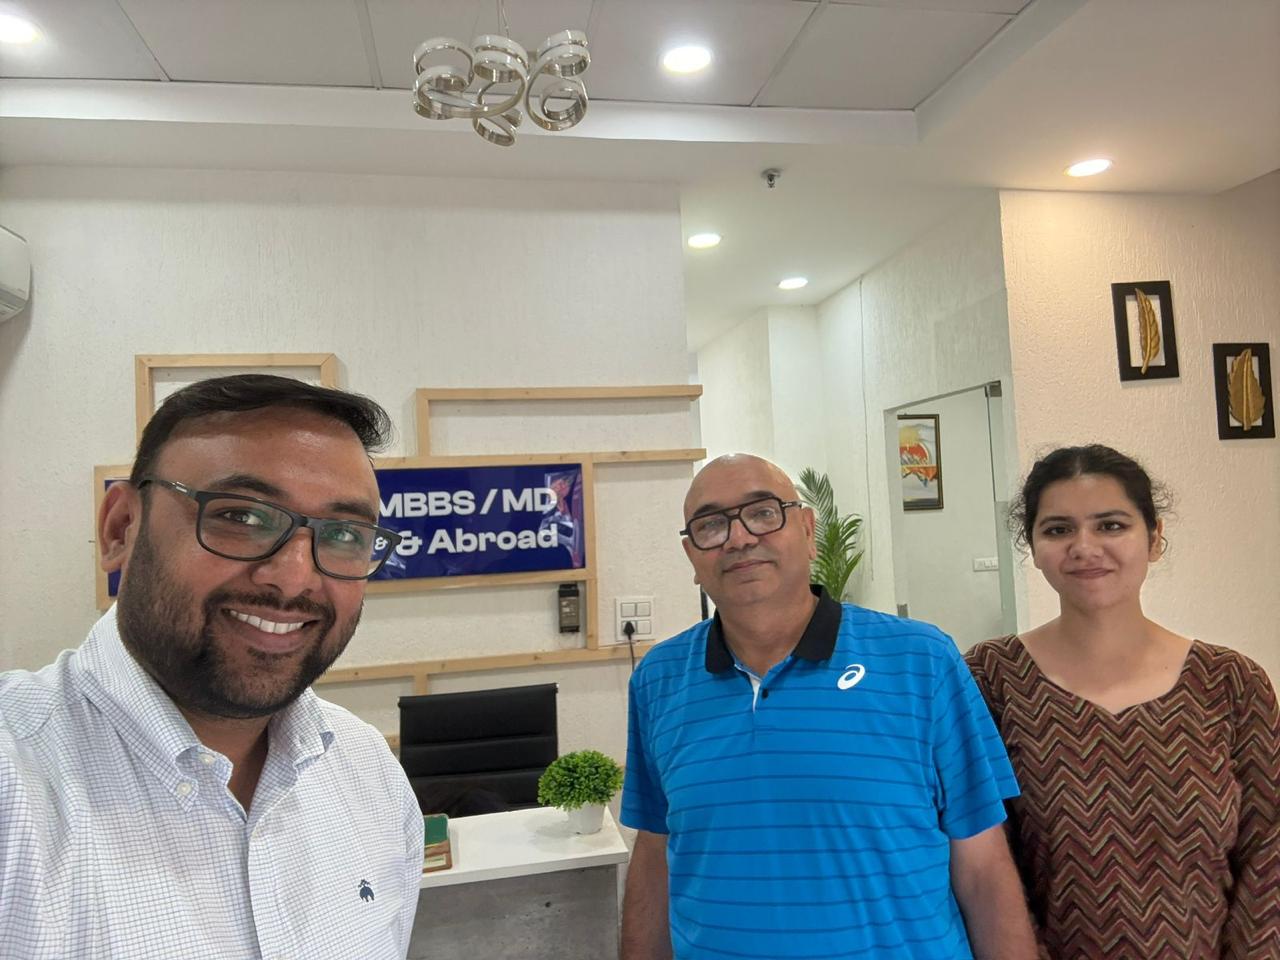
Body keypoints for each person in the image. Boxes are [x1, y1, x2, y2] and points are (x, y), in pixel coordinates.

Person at [0, 375, 425, 959]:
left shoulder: (368, 772)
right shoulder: (14, 784)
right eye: (241, 516)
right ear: (121, 529)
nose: (294, 578)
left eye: (345, 533)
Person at [620, 453, 1038, 960]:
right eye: (710, 525)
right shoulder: (658, 680)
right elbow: (655, 852)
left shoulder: (921, 660)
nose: (739, 537)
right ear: (692, 556)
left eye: (763, 512)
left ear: (807, 529)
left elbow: (983, 863)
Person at [964, 444, 1280, 959]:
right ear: (1033, 546)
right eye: (1058, 529)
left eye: (1111, 525)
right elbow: (981, 863)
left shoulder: (1231, 683)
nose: (1084, 547)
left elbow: (1268, 856)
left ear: (1154, 538)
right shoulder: (990, 679)